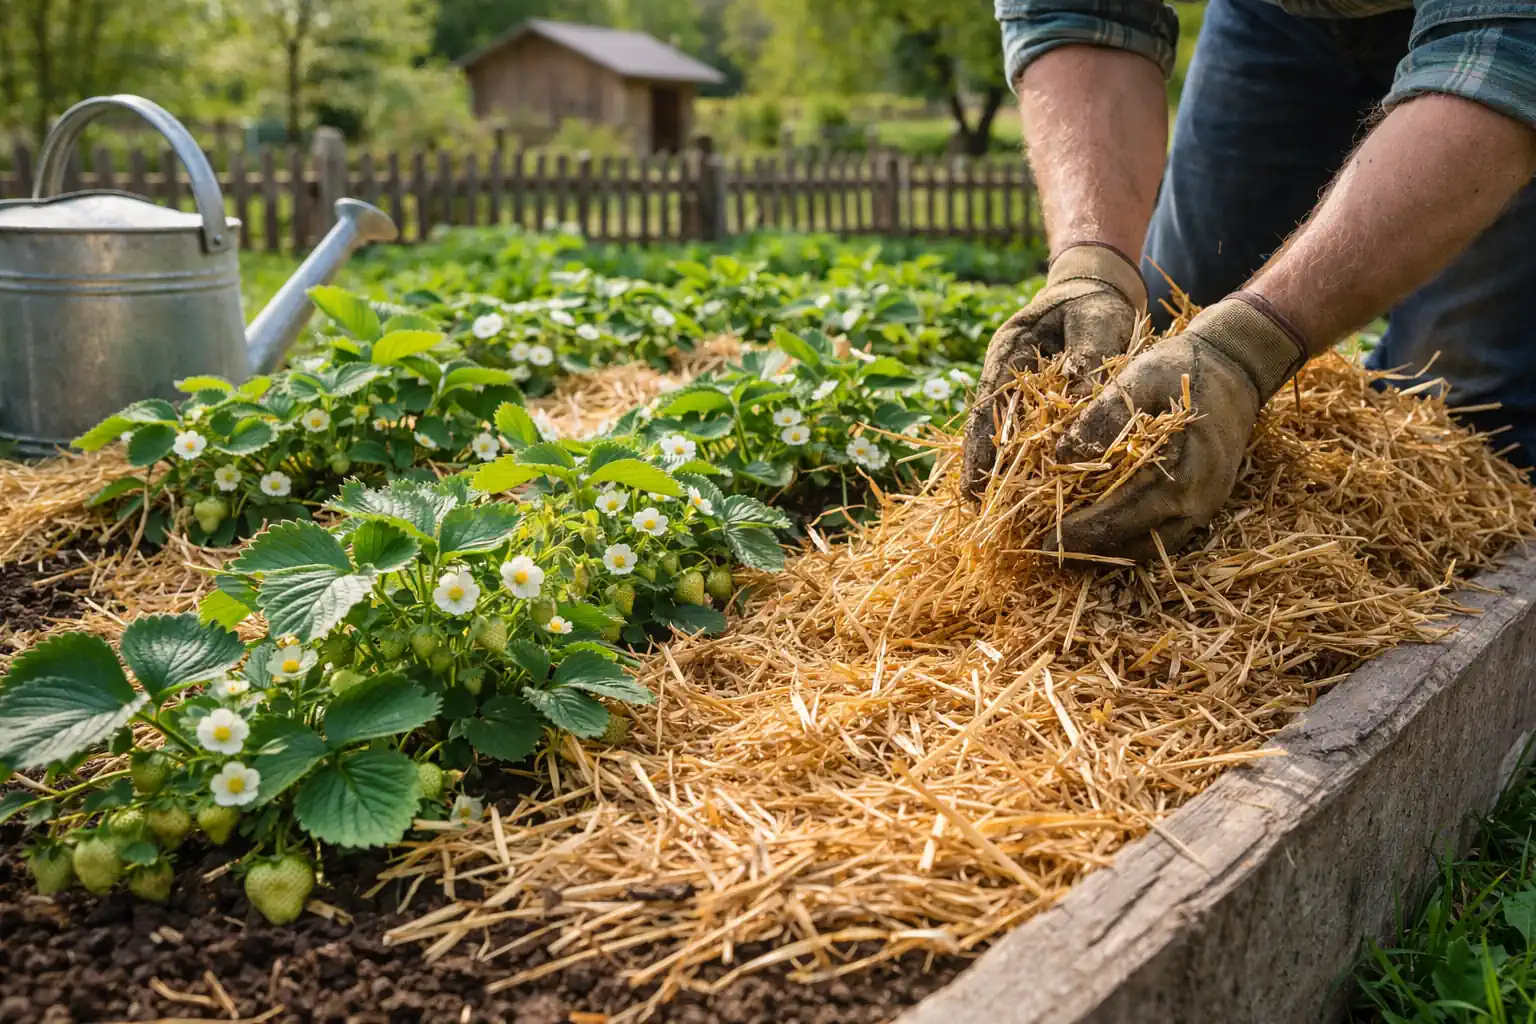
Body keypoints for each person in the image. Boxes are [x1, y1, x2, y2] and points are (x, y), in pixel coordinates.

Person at [960, 0, 1536, 563]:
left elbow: (1507, 54)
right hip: (1278, 16)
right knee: (1172, 324)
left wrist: (1248, 346)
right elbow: (1078, 12)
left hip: (1502, 29)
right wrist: (1092, 266)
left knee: (1461, 402)